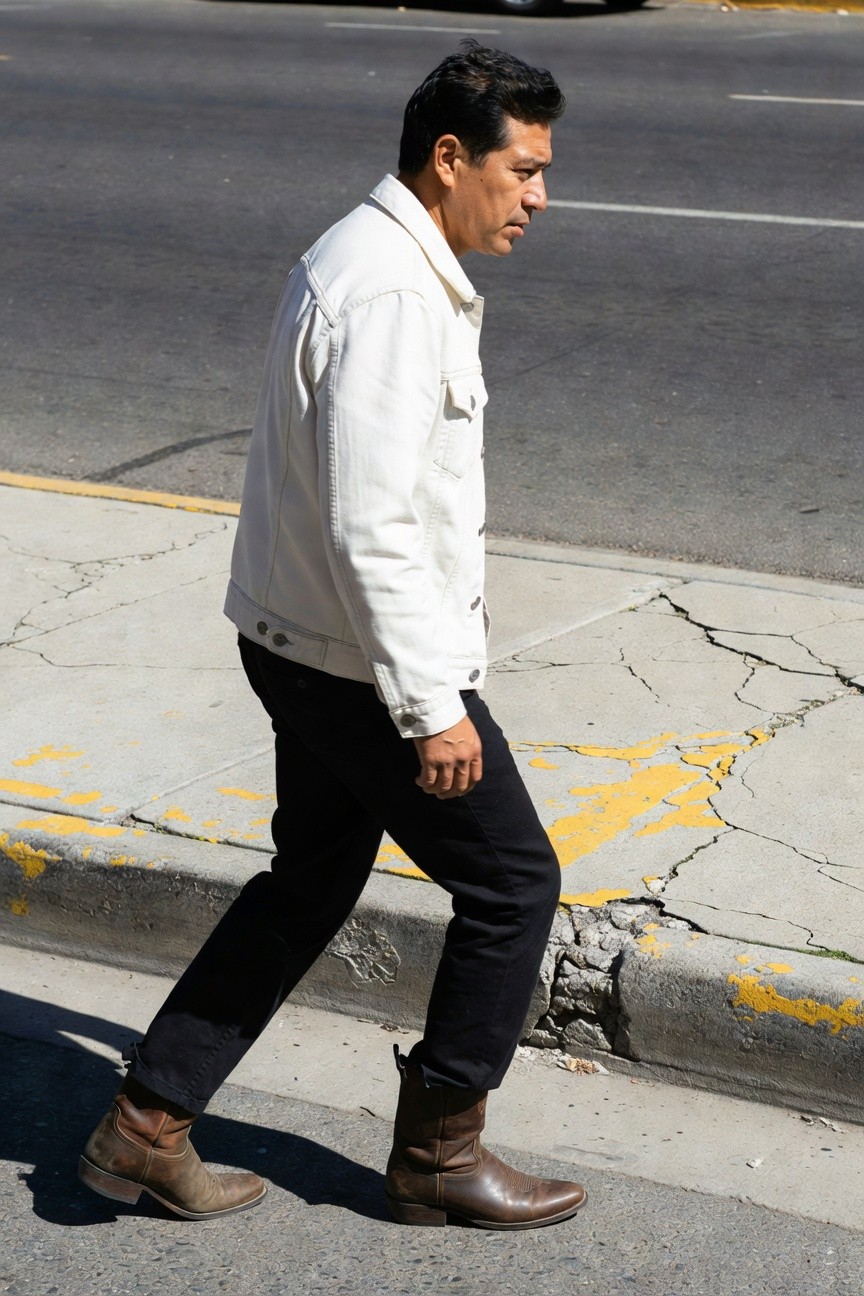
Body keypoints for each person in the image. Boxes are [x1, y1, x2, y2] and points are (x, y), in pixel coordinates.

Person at [79, 41, 586, 1231]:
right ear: (450, 157)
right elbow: (370, 524)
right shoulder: (396, 291)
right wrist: (431, 704)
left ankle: (147, 1126)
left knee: (311, 879)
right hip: (359, 660)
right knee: (514, 883)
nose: (540, 197)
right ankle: (438, 1155)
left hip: (305, 639)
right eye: (524, 170)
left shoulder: (366, 251)